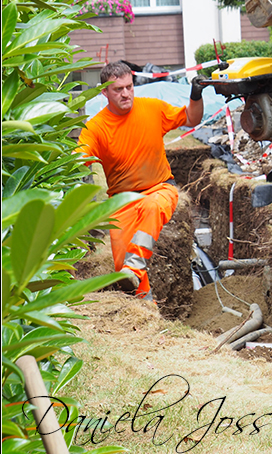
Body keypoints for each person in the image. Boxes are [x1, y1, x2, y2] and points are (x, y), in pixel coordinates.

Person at [77, 61, 206, 300]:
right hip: (121, 201)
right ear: (104, 92)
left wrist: (196, 95)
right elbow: (77, 162)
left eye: (129, 86)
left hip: (160, 188)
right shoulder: (96, 128)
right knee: (121, 267)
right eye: (118, 89)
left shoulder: (152, 108)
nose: (126, 93)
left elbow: (191, 118)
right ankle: (144, 306)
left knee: (150, 207)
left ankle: (135, 267)